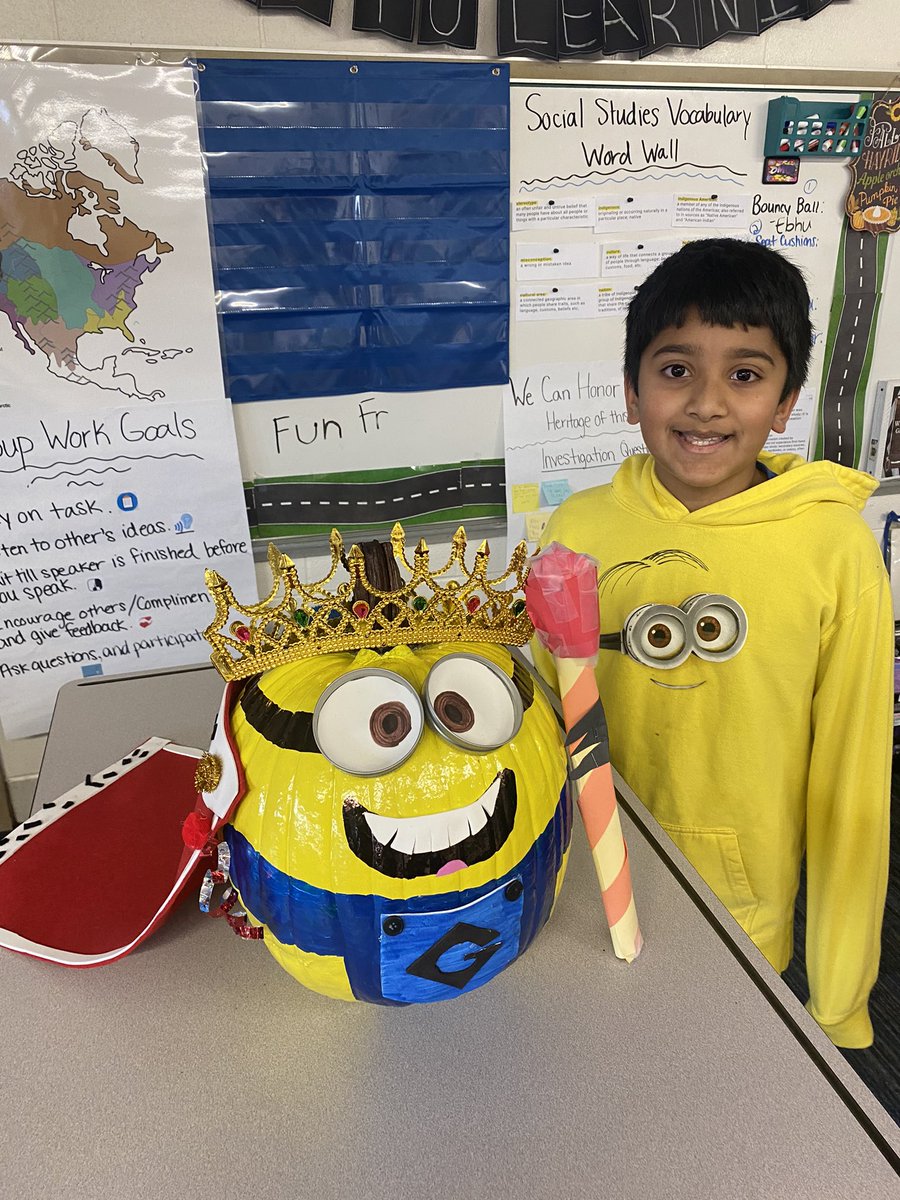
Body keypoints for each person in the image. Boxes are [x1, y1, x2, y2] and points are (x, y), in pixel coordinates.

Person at [533, 238, 892, 1048]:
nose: (706, 404)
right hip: (587, 880)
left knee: (716, 1071)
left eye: (746, 374)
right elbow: (542, 717)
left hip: (743, 910)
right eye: (675, 370)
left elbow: (854, 781)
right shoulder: (579, 528)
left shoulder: (833, 550)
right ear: (632, 392)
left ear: (786, 401)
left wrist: (838, 1000)